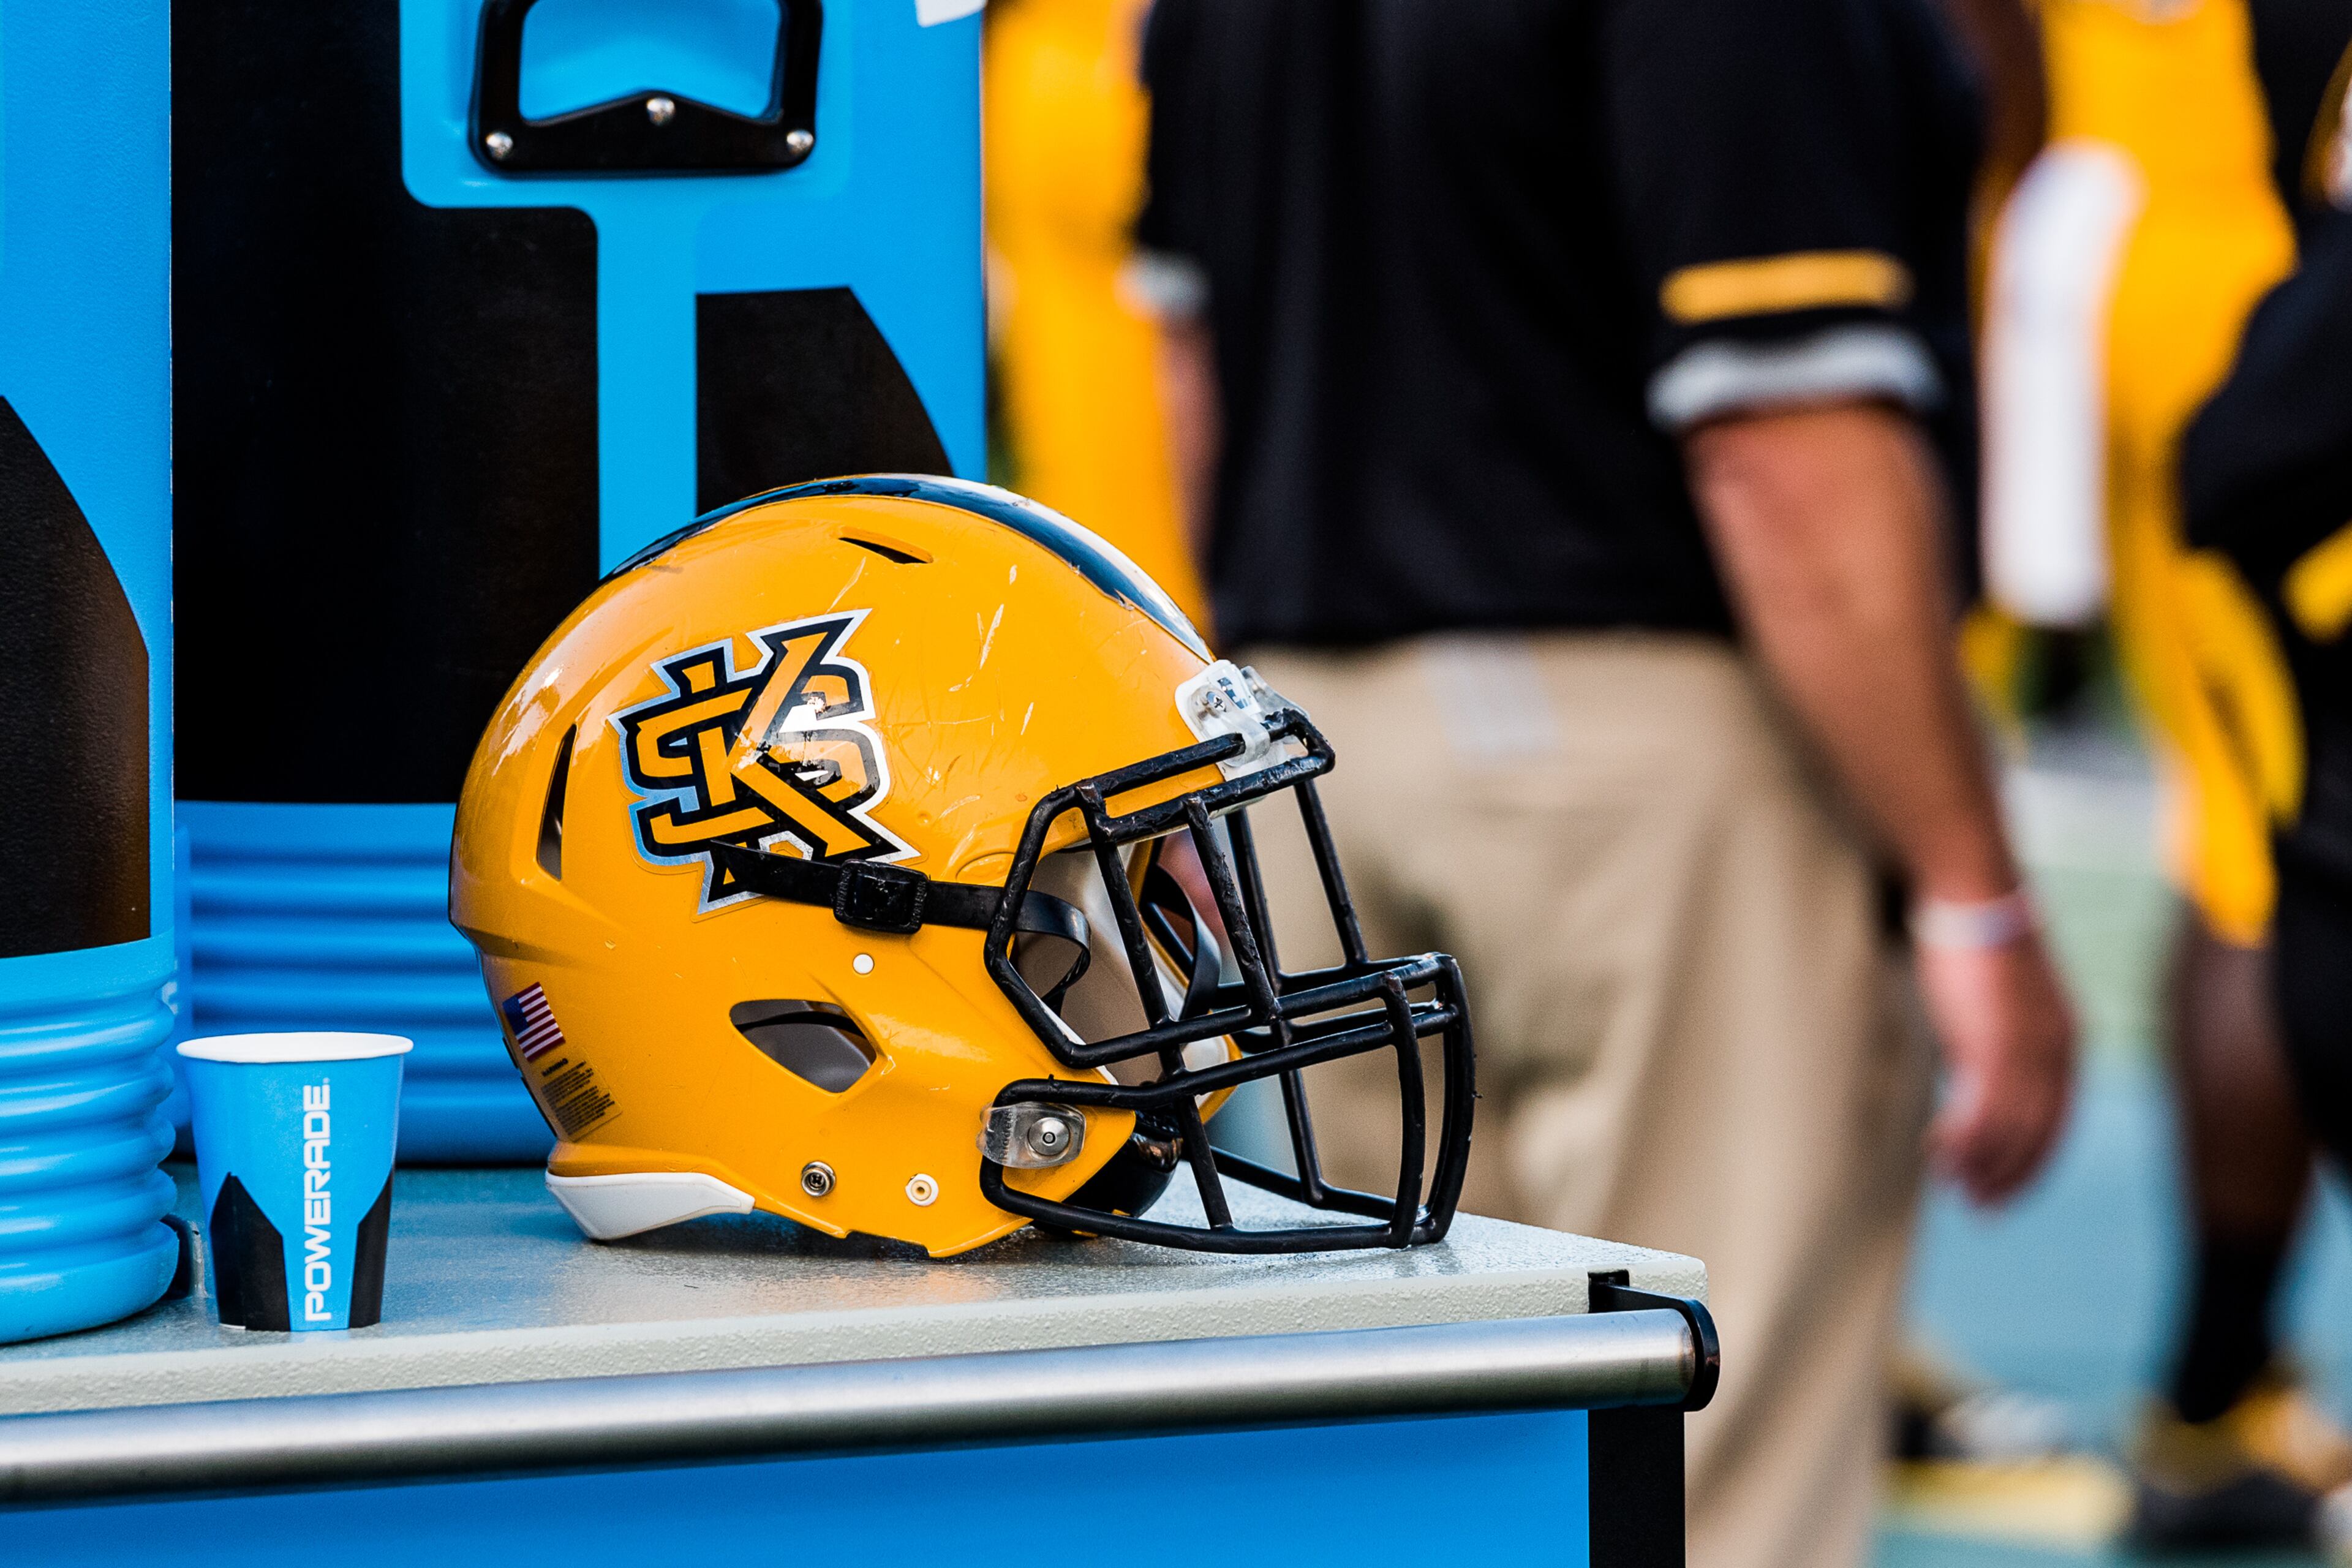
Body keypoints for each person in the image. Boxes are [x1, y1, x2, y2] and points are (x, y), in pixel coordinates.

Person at [1133, 4, 2078, 1566]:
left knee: (1397, 1485)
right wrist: (1974, 891)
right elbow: (1780, 440)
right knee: (1699, 1481)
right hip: (1652, 756)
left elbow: (1189, 377)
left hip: (1309, 756)